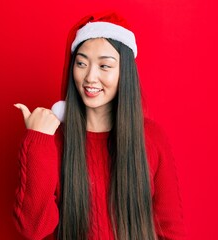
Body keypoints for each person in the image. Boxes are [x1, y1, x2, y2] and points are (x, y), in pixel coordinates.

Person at [13, 11, 185, 240]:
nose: (90, 77)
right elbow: (33, 230)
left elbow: (172, 231)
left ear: (125, 73)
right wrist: (37, 141)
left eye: (104, 66)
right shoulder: (53, 141)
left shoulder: (151, 138)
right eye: (82, 63)